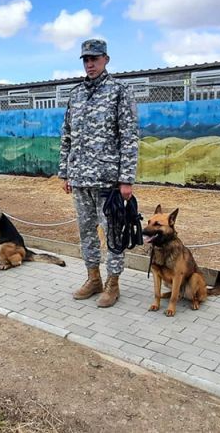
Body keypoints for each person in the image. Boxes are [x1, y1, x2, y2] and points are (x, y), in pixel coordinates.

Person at [59, 39, 139, 308]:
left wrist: (126, 178)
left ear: (106, 59)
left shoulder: (119, 91)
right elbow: (67, 136)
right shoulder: (76, 94)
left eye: (94, 58)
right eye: (85, 59)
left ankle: (112, 284)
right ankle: (92, 278)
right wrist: (65, 172)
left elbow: (129, 136)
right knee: (86, 232)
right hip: (80, 178)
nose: (89, 64)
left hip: (108, 181)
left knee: (113, 233)